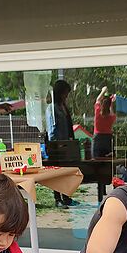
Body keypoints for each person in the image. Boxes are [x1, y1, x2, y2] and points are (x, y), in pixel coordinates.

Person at [47, 79, 77, 208]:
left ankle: (67, 197)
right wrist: (55, 143)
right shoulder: (52, 108)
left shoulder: (63, 107)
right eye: (65, 93)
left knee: (66, 172)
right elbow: (51, 127)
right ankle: (57, 198)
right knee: (57, 173)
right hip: (57, 146)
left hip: (66, 145)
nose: (66, 96)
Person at [92, 86, 116, 158]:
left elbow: (98, 99)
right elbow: (111, 111)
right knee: (107, 161)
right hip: (107, 139)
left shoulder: (98, 112)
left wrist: (103, 91)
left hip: (97, 137)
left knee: (96, 160)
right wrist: (111, 102)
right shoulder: (112, 117)